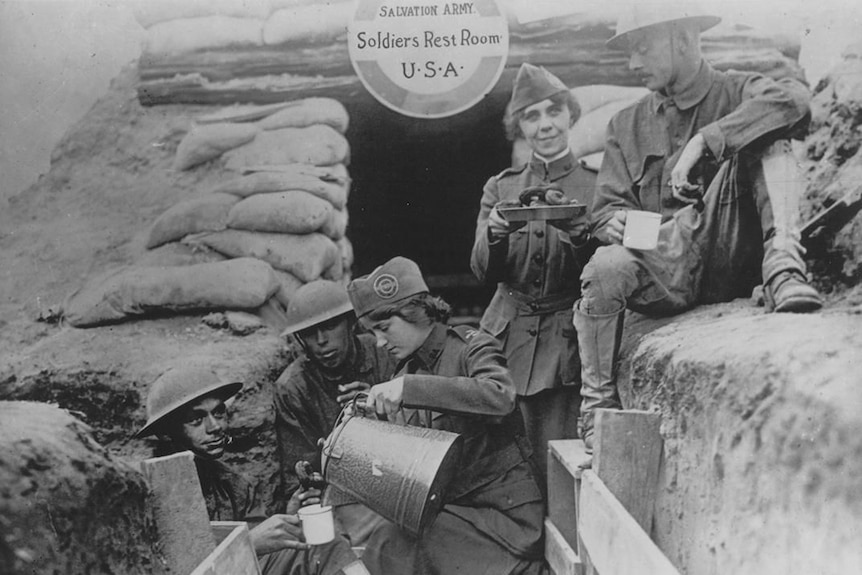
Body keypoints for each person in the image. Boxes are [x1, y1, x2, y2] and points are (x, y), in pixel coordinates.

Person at [574, 3, 823, 450]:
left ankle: (785, 266)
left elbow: (795, 101)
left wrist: (705, 141)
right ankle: (597, 408)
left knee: (769, 136)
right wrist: (613, 222)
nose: (633, 63)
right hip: (665, 258)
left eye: (643, 49)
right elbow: (605, 208)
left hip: (733, 248)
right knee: (604, 265)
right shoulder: (625, 125)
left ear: (684, 39)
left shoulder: (737, 90)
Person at [346, 256, 545, 575]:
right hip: (457, 515)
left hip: (505, 522)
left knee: (391, 544)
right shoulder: (409, 369)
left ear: (416, 311)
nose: (380, 342)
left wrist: (409, 389)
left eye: (384, 328)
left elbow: (501, 396)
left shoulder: (471, 347)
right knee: (388, 541)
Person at [470, 62, 599, 478]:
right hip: (506, 339)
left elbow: (608, 270)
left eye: (553, 111)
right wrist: (494, 234)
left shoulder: (598, 184)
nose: (545, 125)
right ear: (519, 127)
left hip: (566, 345)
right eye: (531, 116)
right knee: (504, 462)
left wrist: (581, 236)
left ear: (570, 115)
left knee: (558, 462)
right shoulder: (500, 187)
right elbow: (481, 272)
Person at [136, 365, 368, 575]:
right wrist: (248, 543)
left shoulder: (231, 483)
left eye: (218, 412)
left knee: (325, 543)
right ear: (166, 433)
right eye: (196, 420)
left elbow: (264, 546)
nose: (215, 427)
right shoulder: (147, 494)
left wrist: (290, 516)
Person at [273, 279, 395, 545]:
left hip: (397, 483)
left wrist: (380, 411)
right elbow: (300, 469)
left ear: (350, 322)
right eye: (309, 333)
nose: (321, 342)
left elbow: (424, 436)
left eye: (329, 327)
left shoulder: (384, 356)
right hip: (344, 498)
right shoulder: (294, 388)